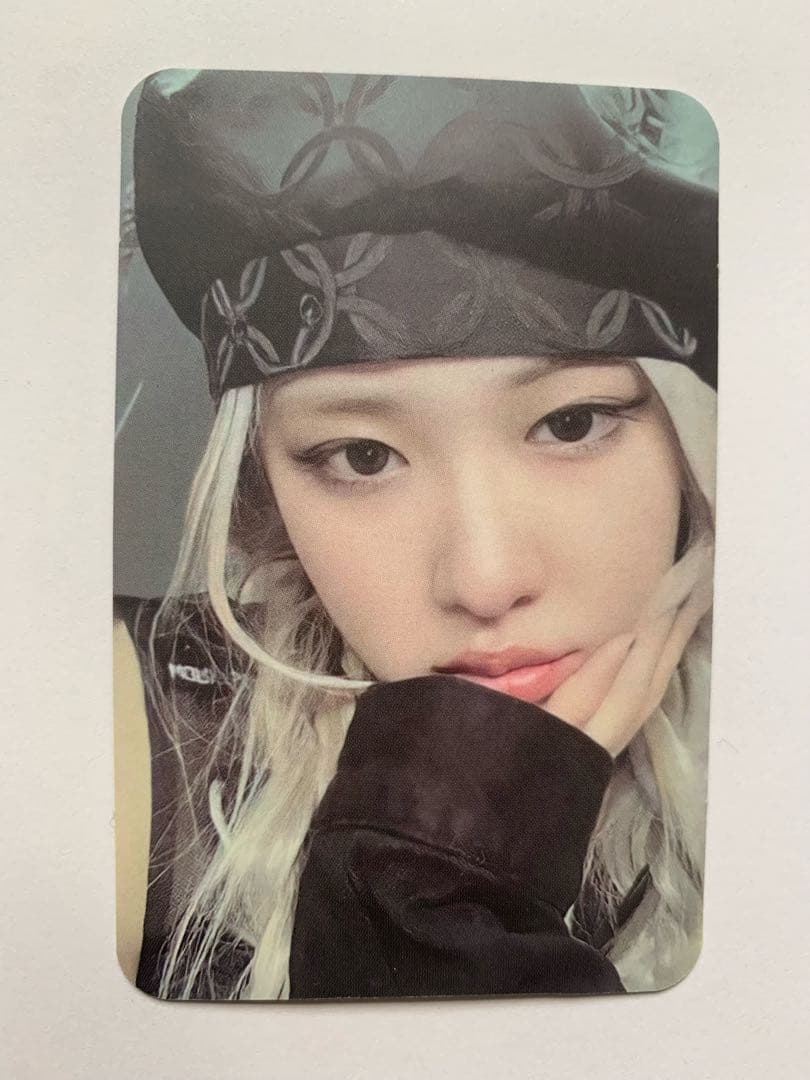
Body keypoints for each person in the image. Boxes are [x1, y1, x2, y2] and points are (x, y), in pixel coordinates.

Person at [114, 71, 717, 1001]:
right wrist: (415, 885)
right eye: (362, 456)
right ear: (263, 485)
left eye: (570, 424)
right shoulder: (114, 728)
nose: (485, 579)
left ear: (691, 441)